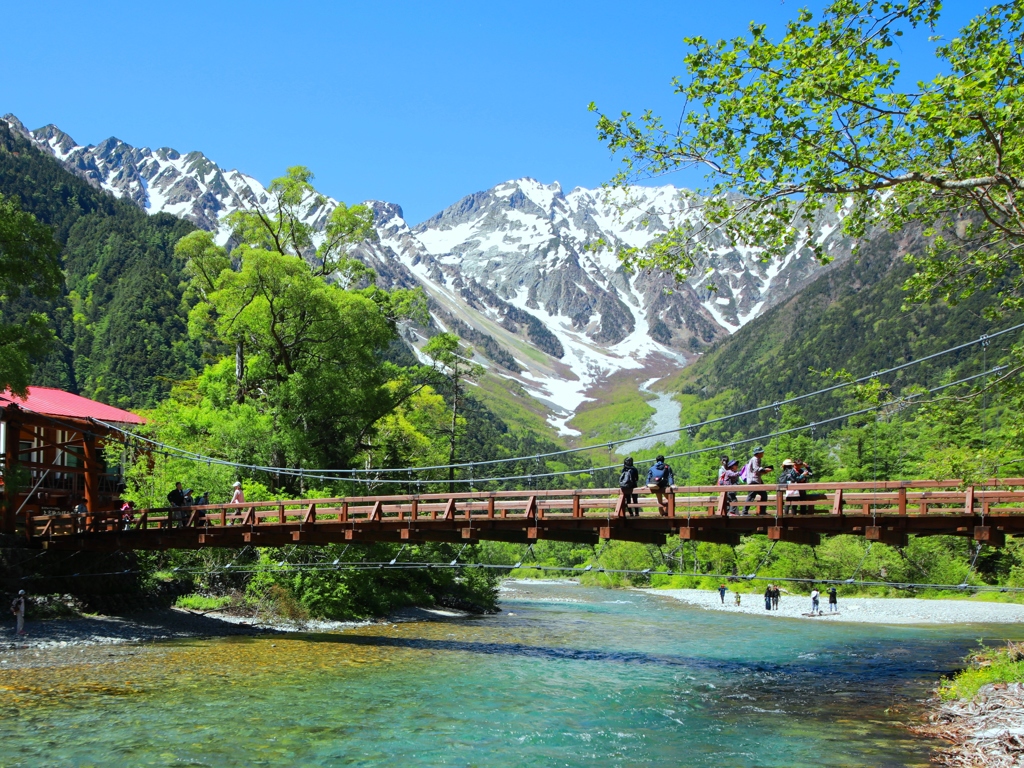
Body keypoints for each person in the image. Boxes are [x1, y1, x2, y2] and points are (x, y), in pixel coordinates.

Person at [740, 447, 773, 515]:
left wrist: (764, 471)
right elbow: (756, 469)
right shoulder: (755, 459)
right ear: (758, 453)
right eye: (762, 452)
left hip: (756, 480)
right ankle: (745, 512)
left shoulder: (756, 459)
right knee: (752, 496)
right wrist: (765, 470)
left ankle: (761, 512)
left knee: (761, 495)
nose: (763, 453)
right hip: (754, 481)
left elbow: (756, 470)